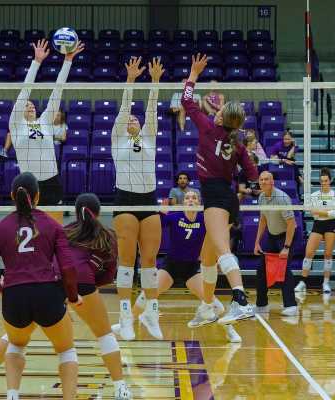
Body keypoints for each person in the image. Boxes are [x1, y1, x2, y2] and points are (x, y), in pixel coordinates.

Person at [0, 192, 132, 399]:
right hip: (82, 283)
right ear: (100, 213)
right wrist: (88, 286)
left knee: (17, 336)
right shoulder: (108, 235)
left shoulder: (65, 230)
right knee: (104, 335)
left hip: (54, 281)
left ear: (75, 212)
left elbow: (54, 257)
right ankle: (120, 389)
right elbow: (109, 275)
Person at [0, 172, 82, 400]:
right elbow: (68, 269)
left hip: (14, 296)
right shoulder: (53, 225)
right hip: (47, 293)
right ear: (38, 196)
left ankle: (13, 395)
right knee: (66, 350)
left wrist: (0, 289)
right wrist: (73, 297)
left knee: (16, 345)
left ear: (11, 196)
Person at [182, 53, 258, 326]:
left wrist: (193, 74)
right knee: (207, 257)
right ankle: (206, 308)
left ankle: (241, 300)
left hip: (215, 196)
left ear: (223, 118)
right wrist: (252, 186)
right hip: (226, 196)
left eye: (220, 110)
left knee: (223, 250)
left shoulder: (207, 128)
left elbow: (187, 101)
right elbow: (252, 173)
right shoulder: (237, 144)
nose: (216, 111)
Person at [112, 190, 242, 342]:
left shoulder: (205, 219)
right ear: (183, 202)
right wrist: (161, 213)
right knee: (146, 295)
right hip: (171, 266)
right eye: (187, 198)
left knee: (212, 302)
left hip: (192, 268)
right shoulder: (174, 216)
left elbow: (218, 235)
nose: (191, 200)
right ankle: (126, 324)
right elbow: (151, 227)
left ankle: (230, 330)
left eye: (194, 198)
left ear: (199, 202)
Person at [112, 56, 163, 341]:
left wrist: (155, 82)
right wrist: (131, 80)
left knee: (150, 260)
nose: (132, 119)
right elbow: (124, 109)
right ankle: (124, 317)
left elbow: (152, 111)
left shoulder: (149, 137)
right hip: (126, 200)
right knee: (126, 261)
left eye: (135, 118)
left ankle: (151, 313)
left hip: (149, 200)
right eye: (129, 118)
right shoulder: (117, 138)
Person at [8, 39, 83, 222]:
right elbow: (25, 91)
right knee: (30, 230)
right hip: (28, 184)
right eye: (26, 105)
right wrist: (36, 62)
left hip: (51, 182)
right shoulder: (17, 124)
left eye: (32, 104)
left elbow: (57, 92)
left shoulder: (45, 122)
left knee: (54, 232)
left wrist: (68, 61)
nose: (30, 105)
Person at [253, 171, 298, 315]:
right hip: (272, 237)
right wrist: (257, 242)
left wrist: (286, 247)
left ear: (272, 182)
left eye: (267, 179)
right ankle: (262, 305)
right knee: (261, 270)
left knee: (284, 269)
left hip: (287, 237)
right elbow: (263, 219)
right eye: (261, 179)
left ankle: (291, 306)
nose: (264, 182)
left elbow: (292, 224)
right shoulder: (261, 197)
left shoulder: (282, 198)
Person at [295, 168, 335, 293]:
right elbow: (313, 214)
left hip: (331, 224)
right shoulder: (314, 195)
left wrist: (320, 211)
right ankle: (302, 282)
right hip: (318, 224)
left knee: (327, 254)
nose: (324, 183)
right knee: (309, 252)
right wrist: (324, 212)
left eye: (326, 181)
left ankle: (326, 283)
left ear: (330, 181)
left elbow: (333, 214)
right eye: (322, 181)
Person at [0, 111, 68, 157]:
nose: (56, 116)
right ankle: (4, 151)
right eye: (55, 115)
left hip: (50, 144)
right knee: (10, 134)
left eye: (58, 115)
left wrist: (51, 136)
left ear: (61, 117)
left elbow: (63, 138)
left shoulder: (63, 126)